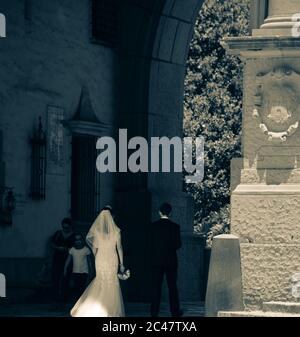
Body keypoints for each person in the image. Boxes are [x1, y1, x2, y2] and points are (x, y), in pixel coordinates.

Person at [70, 208, 125, 317]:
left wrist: (98, 258)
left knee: (100, 281)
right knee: (111, 282)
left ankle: (95, 308)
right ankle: (110, 310)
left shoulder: (97, 232)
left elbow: (94, 248)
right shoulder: (117, 231)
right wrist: (121, 264)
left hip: (100, 258)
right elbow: (119, 248)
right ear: (111, 217)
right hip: (112, 258)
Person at [149, 202, 183, 317]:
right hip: (171, 261)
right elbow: (178, 245)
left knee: (156, 288)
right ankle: (175, 312)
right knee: (172, 287)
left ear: (159, 212)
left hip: (156, 261)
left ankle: (154, 313)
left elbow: (149, 244)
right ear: (170, 213)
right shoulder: (175, 227)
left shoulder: (153, 226)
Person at [64, 233, 93, 301]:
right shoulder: (72, 250)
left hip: (84, 272)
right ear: (74, 241)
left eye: (80, 239)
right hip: (75, 272)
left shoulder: (86, 250)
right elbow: (68, 260)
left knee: (83, 288)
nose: (78, 241)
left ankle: (83, 304)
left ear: (82, 240)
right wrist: (65, 268)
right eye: (76, 240)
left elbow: (90, 262)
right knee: (76, 289)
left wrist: (91, 271)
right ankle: (77, 305)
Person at [51, 218, 75, 301]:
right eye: (63, 227)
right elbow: (52, 244)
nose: (65, 229)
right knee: (55, 278)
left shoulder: (74, 235)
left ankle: (64, 297)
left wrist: (68, 249)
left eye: (67, 227)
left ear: (70, 227)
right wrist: (58, 248)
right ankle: (55, 297)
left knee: (66, 278)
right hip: (57, 258)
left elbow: (77, 246)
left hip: (69, 259)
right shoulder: (58, 233)